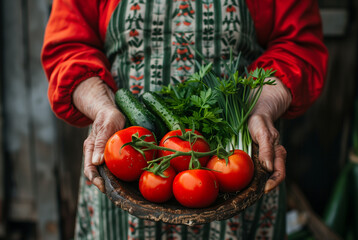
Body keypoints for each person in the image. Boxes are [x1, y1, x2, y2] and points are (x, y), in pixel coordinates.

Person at [41, 0, 328, 239]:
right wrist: (104, 110)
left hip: (237, 167)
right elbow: (68, 48)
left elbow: (298, 45)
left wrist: (261, 107)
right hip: (126, 157)